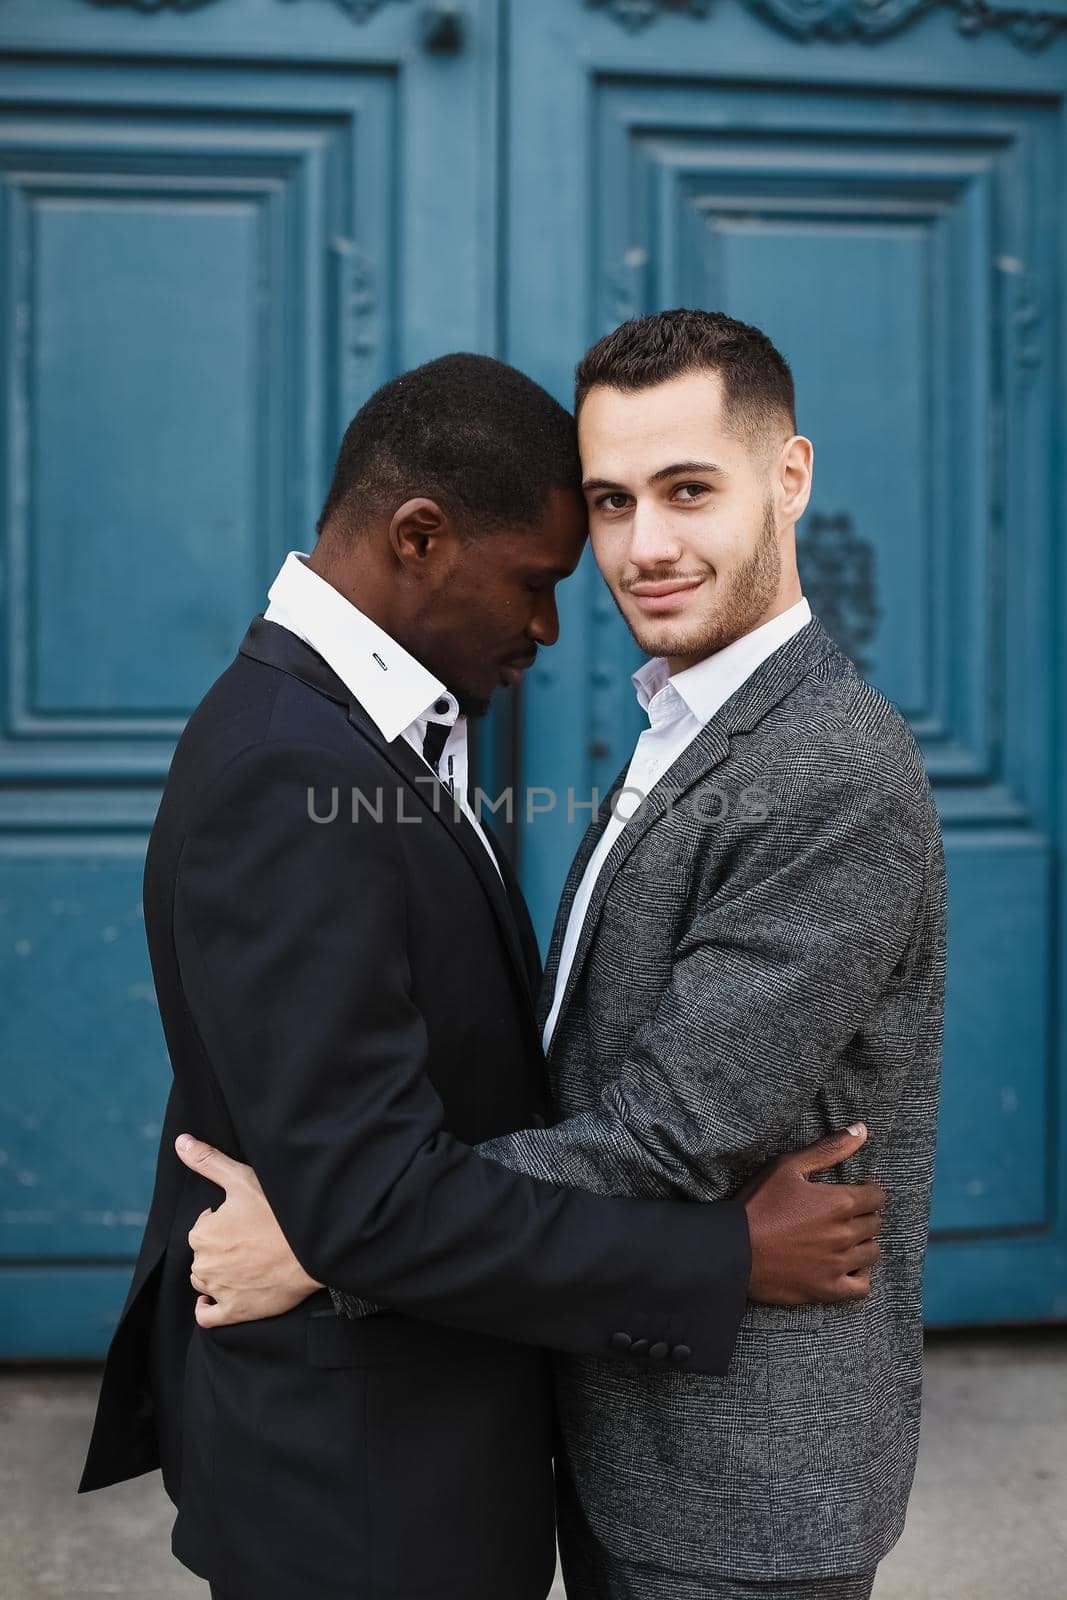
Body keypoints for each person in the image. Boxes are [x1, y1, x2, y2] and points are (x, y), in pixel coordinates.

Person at [78, 352, 885, 1600]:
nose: (558, 622)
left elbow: (375, 1169)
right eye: (536, 578)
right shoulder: (286, 769)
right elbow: (373, 1194)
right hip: (353, 1491)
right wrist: (719, 1258)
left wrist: (328, 1227)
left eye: (680, 493)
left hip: (414, 1450)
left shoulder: (385, 728)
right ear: (418, 536)